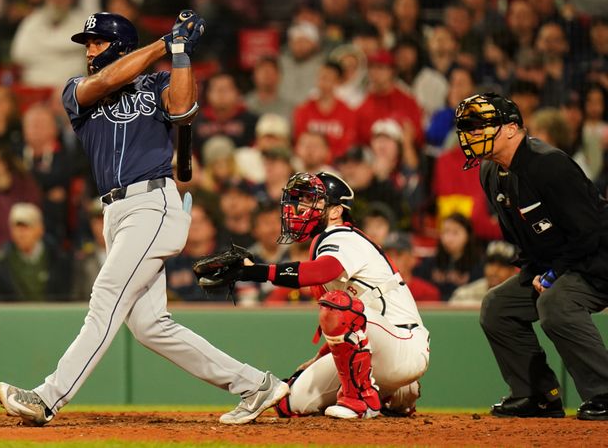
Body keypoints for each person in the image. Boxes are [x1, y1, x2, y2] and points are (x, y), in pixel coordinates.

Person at [0, 11, 289, 427]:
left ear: (118, 44)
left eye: (97, 42)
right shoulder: (77, 89)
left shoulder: (157, 82)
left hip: (152, 203)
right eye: (88, 44)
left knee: (106, 298)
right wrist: (163, 44)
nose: (90, 50)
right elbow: (105, 83)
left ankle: (48, 397)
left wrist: (181, 53)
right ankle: (256, 384)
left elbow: (183, 107)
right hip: (115, 212)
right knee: (151, 327)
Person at [226, 171, 429, 419]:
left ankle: (361, 401)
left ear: (335, 211)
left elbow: (324, 272)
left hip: (402, 343)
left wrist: (256, 272)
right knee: (291, 403)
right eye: (301, 200)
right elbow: (349, 331)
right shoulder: (322, 242)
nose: (301, 207)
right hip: (375, 346)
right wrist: (318, 358)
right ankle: (393, 391)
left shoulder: (343, 235)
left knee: (338, 306)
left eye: (312, 200)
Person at [454, 92, 608, 420]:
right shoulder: (490, 172)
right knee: (498, 307)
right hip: (562, 261)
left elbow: (590, 230)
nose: (471, 135)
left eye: (481, 127)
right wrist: (537, 270)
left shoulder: (548, 163)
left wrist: (555, 273)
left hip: (597, 257)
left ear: (511, 128)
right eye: (469, 128)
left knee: (556, 302)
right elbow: (522, 236)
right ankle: (537, 394)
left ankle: (604, 392)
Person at [0, 203, 71, 302]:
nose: (21, 233)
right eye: (17, 228)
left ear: (40, 229)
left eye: (26, 227)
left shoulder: (59, 259)